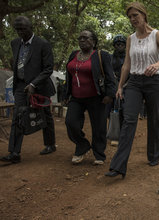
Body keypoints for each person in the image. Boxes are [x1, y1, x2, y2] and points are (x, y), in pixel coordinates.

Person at [105, 2, 159, 179]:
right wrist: (120, 86)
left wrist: (157, 64)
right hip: (134, 82)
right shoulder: (130, 38)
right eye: (130, 17)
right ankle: (118, 166)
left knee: (155, 119)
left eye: (135, 15)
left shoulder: (157, 35)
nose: (132, 19)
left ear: (144, 15)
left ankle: (153, 155)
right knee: (128, 120)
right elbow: (127, 64)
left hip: (154, 82)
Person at [1, 16, 56, 164]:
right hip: (20, 86)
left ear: (31, 27)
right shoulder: (14, 43)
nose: (20, 32)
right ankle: (14, 152)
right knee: (18, 116)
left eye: (23, 29)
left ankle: (50, 144)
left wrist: (33, 84)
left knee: (45, 115)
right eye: (17, 29)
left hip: (40, 86)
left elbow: (48, 68)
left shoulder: (43, 44)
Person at [64, 29, 116, 165]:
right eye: (80, 38)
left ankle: (99, 154)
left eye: (85, 38)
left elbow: (110, 76)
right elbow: (68, 76)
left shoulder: (101, 55)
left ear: (93, 41)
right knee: (70, 122)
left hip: (96, 97)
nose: (82, 40)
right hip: (76, 97)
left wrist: (110, 95)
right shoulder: (73, 55)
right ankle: (82, 145)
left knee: (99, 127)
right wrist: (66, 94)